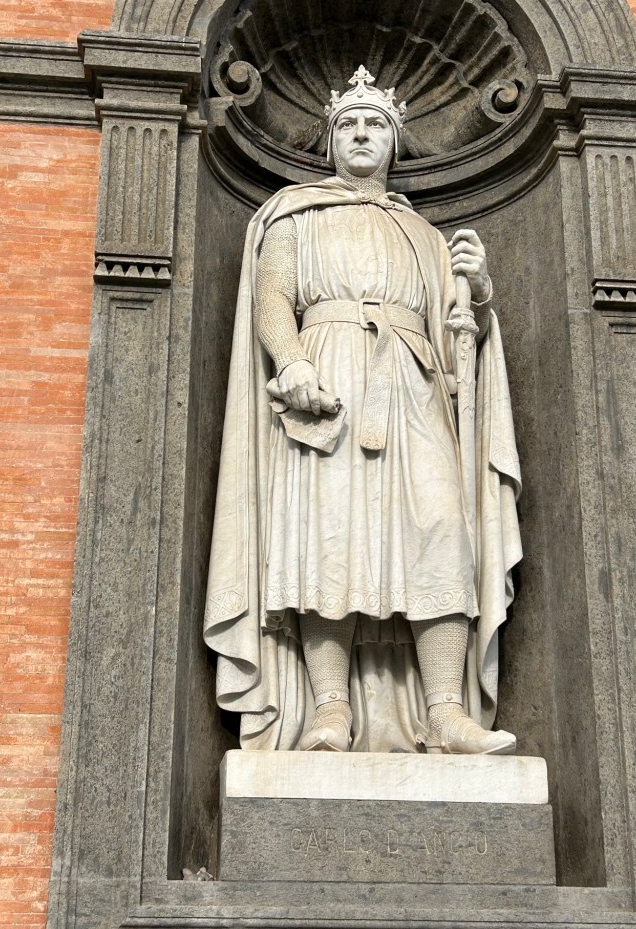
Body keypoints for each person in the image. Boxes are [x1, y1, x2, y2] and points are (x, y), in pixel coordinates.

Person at [204, 67, 521, 755]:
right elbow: (271, 298)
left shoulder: (425, 235)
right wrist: (292, 363)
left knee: (441, 529)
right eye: (347, 124)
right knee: (329, 536)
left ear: (394, 141)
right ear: (330, 141)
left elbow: (459, 341)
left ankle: (447, 713)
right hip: (330, 381)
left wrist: (478, 292)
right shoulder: (295, 214)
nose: (360, 134)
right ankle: (330, 710)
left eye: (374, 124)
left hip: (413, 386)